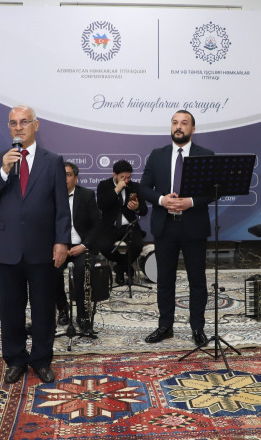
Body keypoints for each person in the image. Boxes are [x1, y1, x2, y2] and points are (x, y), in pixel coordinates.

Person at [0, 105, 70, 384]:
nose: (18, 127)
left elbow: (61, 207)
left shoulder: (53, 161)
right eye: (13, 123)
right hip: (9, 249)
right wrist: (4, 171)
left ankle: (41, 360)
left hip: (42, 248)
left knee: (43, 309)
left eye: (24, 122)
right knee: (11, 310)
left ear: (36, 125)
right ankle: (15, 359)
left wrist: (62, 241)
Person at [138, 109, 214, 347]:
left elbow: (213, 191)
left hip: (194, 226)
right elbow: (143, 188)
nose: (178, 127)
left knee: (197, 280)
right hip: (165, 226)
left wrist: (190, 202)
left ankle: (198, 328)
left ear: (193, 128)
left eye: (184, 123)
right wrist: (162, 200)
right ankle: (165, 326)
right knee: (164, 279)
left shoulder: (205, 155)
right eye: (175, 123)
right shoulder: (157, 155)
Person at [55, 162, 101, 330]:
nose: (64, 178)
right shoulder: (51, 196)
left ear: (76, 178)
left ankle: (82, 314)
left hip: (81, 246)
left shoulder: (86, 195)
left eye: (68, 175)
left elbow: (97, 225)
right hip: (59, 245)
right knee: (52, 271)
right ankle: (63, 309)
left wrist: (84, 245)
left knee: (80, 272)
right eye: (61, 175)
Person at [96, 160, 147, 286]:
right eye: (122, 177)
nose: (126, 180)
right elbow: (102, 205)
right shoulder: (104, 185)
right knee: (104, 246)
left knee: (137, 246)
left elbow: (144, 210)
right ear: (115, 175)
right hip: (110, 226)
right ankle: (126, 267)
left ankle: (119, 269)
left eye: (128, 177)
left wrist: (137, 208)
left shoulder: (135, 187)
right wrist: (117, 189)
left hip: (129, 226)